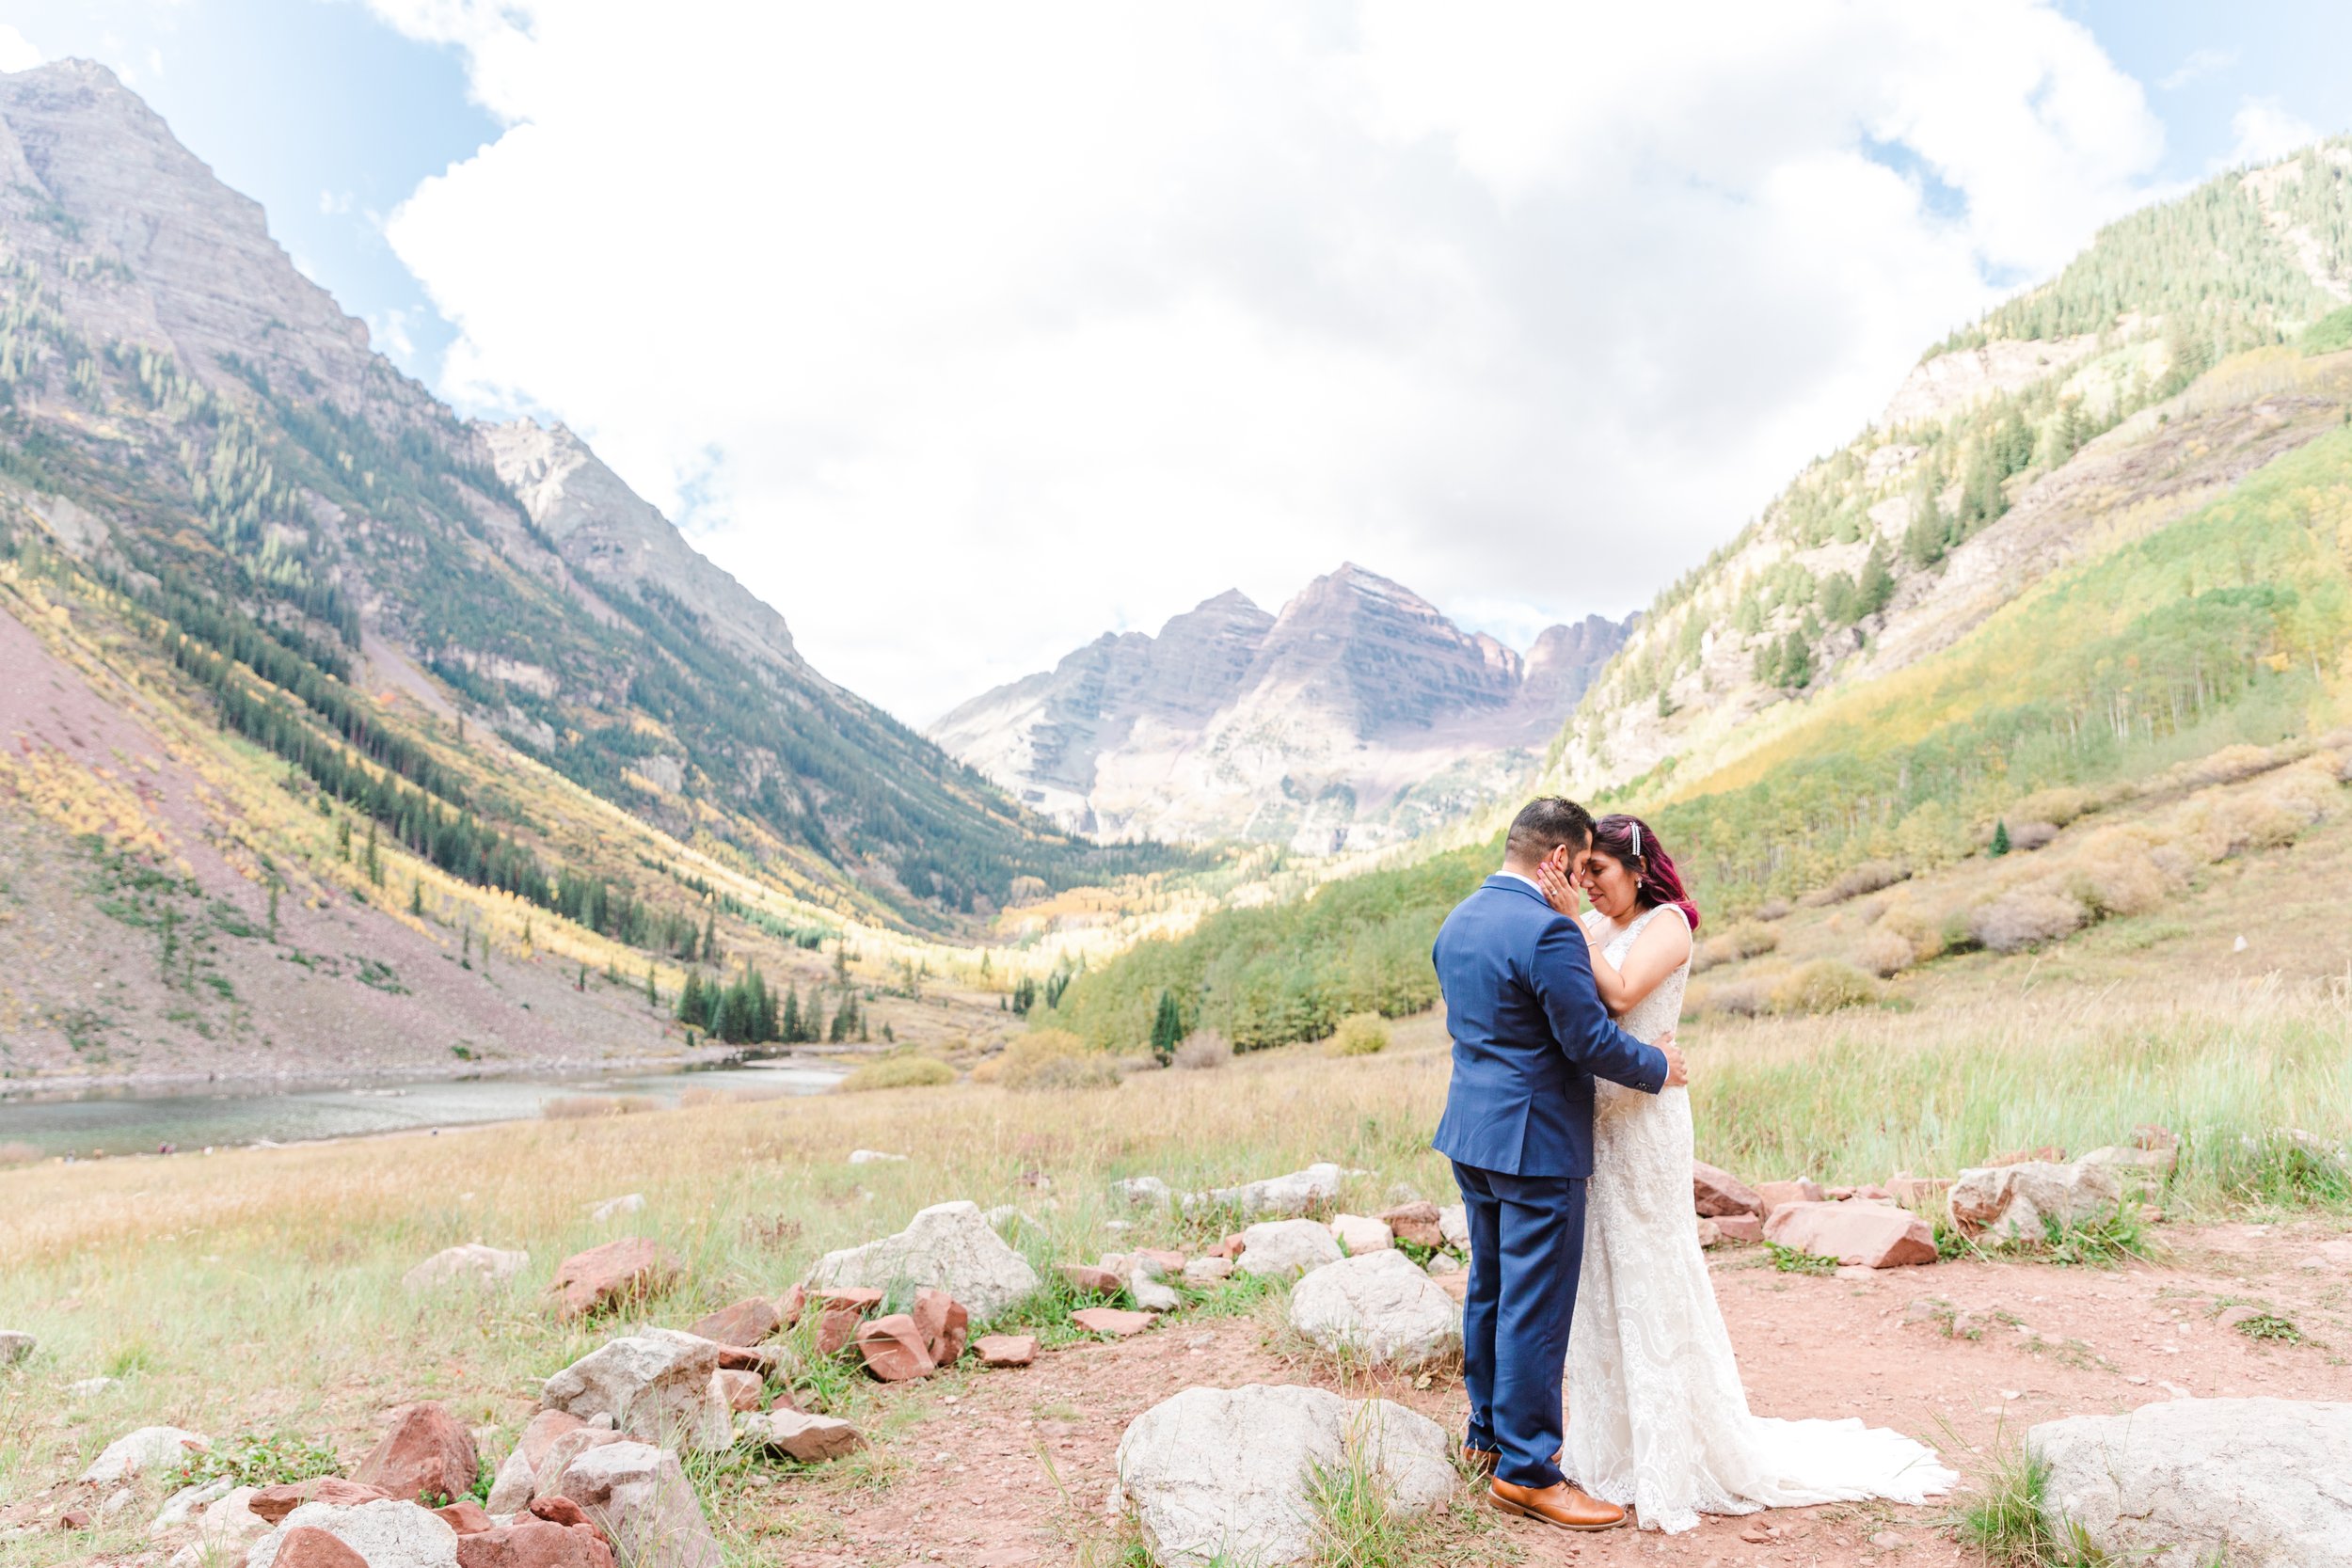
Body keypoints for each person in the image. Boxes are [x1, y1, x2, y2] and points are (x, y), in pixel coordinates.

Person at [1533, 813, 1956, 1533]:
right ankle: (1616, 1447)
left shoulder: (1668, 923)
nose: (1590, 888)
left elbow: (1623, 994)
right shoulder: (1596, 926)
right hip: (1599, 1120)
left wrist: (1568, 925)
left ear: (1637, 869)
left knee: (1653, 1269)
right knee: (1605, 1277)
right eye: (1582, 878)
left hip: (1647, 1122)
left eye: (1598, 873)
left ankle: (1677, 1451)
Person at [1430, 797, 1688, 1531]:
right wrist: (1658, 1063)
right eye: (1577, 865)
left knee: (1491, 1288)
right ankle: (1530, 1471)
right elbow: (1589, 1043)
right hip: (1536, 1141)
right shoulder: (1548, 931)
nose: (1580, 880)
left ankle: (1486, 1438)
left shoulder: (1460, 919)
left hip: (1472, 1135)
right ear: (1555, 861)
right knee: (1535, 1308)